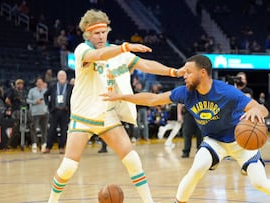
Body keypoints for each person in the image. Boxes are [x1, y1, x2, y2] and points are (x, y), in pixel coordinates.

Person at [101, 54, 270, 203]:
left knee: (259, 183)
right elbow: (153, 99)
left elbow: (262, 109)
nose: (184, 75)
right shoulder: (185, 93)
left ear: (203, 73)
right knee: (197, 168)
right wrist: (122, 96)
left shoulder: (226, 91)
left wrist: (255, 110)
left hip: (240, 141)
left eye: (188, 72)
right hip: (214, 141)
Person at [46, 9, 183, 203]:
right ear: (87, 34)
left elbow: (146, 64)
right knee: (68, 166)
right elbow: (100, 55)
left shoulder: (119, 53)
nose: (101, 36)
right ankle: (52, 200)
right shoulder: (82, 50)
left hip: (107, 114)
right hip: (83, 116)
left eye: (103, 32)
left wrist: (173, 71)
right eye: (96, 33)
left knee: (133, 160)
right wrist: (125, 47)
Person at [43, 70, 73, 154]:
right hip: (55, 111)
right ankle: (48, 147)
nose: (62, 77)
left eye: (63, 76)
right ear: (57, 77)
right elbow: (45, 95)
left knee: (64, 130)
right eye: (60, 76)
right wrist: (49, 106)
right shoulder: (53, 86)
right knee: (51, 130)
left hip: (65, 111)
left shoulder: (70, 87)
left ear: (66, 77)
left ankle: (62, 147)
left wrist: (71, 107)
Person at [5, 79, 36, 149]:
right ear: (16, 85)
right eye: (18, 84)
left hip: (25, 111)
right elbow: (7, 100)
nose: (20, 85)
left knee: (31, 125)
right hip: (17, 111)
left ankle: (33, 142)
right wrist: (12, 106)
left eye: (21, 84)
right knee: (16, 127)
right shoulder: (12, 91)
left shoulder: (24, 92)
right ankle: (9, 144)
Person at [26, 77, 49, 153]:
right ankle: (34, 143)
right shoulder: (32, 91)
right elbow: (28, 100)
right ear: (36, 83)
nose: (39, 83)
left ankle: (44, 143)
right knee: (34, 129)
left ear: (42, 83)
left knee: (44, 129)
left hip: (44, 112)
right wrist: (35, 102)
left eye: (41, 82)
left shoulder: (46, 91)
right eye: (38, 82)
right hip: (35, 113)